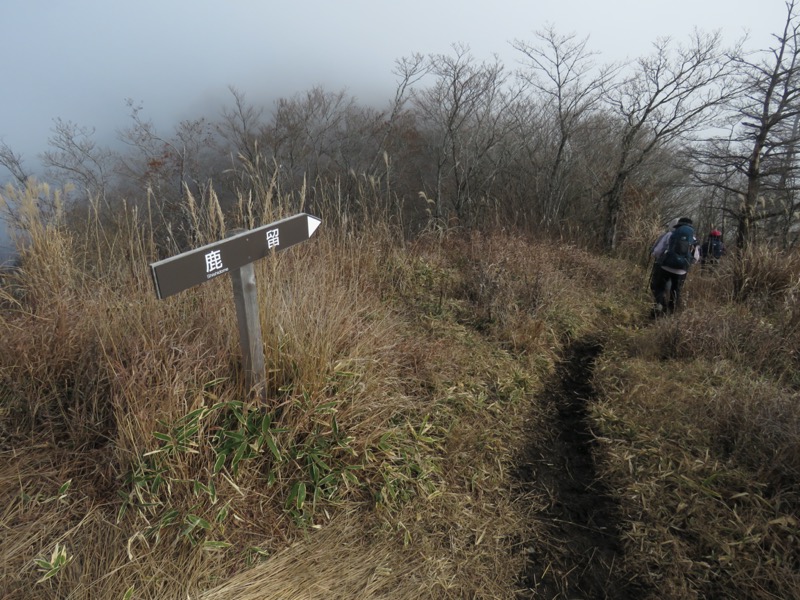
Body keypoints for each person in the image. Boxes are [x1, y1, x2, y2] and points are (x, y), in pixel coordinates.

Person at [650, 216, 699, 314]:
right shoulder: (693, 239)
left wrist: (657, 257)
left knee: (659, 287)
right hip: (681, 270)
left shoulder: (670, 234)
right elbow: (696, 258)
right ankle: (671, 312)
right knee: (676, 291)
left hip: (665, 267)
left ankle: (660, 304)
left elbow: (657, 251)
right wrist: (687, 263)